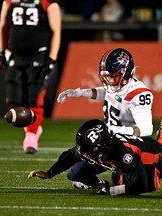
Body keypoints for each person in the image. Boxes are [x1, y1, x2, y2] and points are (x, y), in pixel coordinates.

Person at [54, 48, 153, 188]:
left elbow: (146, 129)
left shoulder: (138, 94)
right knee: (75, 174)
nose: (109, 81)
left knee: (126, 183)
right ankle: (100, 183)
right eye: (107, 77)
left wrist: (115, 130)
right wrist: (79, 93)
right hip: (108, 142)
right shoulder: (115, 85)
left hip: (127, 147)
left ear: (127, 72)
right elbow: (105, 93)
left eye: (113, 77)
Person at [28, 119, 162, 195]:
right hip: (126, 162)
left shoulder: (122, 154)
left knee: (143, 186)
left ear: (102, 146)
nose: (85, 154)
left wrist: (111, 190)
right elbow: (71, 155)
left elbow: (141, 185)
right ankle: (99, 183)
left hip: (153, 160)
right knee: (75, 174)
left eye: (89, 151)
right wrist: (49, 173)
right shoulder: (100, 147)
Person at [0, 0, 61, 154]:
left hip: (38, 55)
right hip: (15, 55)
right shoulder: (9, 2)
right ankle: (31, 129)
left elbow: (56, 31)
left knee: (34, 99)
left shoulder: (48, 4)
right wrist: (1, 52)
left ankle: (31, 137)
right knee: (13, 99)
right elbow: (3, 27)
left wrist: (51, 58)